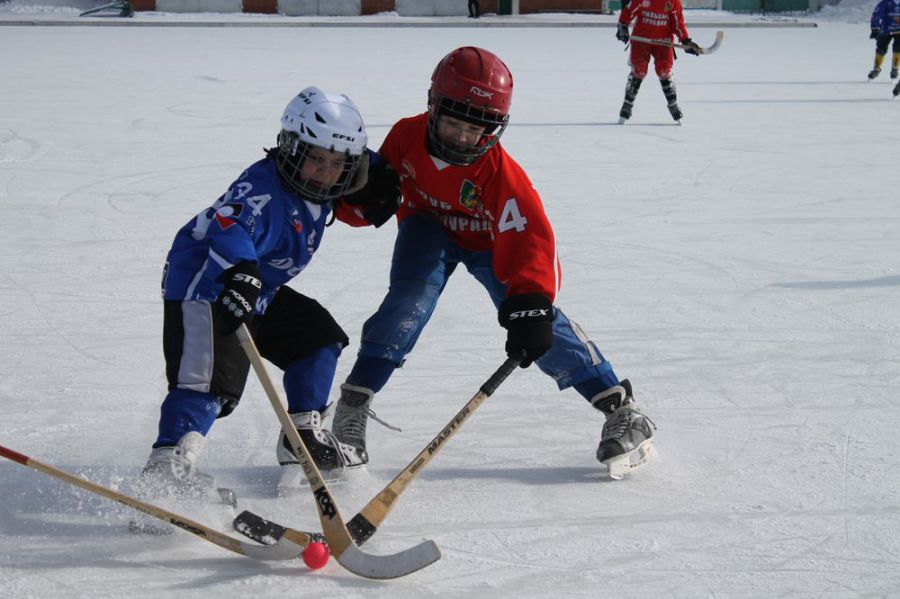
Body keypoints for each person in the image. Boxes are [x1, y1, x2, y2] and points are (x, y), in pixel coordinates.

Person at [328, 46, 656, 479]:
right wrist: (359, 200)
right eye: (453, 123)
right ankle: (352, 406)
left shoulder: (501, 175)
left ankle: (621, 409)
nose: (463, 137)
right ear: (432, 106)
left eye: (476, 129)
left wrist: (531, 302)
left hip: (490, 242)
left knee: (539, 321)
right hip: (428, 227)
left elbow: (531, 240)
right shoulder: (404, 137)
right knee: (407, 302)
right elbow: (365, 201)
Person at [140, 87, 400, 496]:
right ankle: (168, 466)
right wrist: (242, 271)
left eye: (337, 164)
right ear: (292, 148)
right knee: (211, 382)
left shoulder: (320, 191)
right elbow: (230, 224)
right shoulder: (262, 186)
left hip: (258, 289)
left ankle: (302, 437)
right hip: (208, 285)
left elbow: (370, 164)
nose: (325, 172)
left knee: (317, 337)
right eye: (315, 158)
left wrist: (385, 173)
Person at [615, 0, 701, 124]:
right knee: (639, 70)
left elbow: (678, 23)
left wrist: (685, 41)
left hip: (663, 41)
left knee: (664, 70)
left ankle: (673, 104)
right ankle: (627, 104)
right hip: (642, 39)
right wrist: (623, 26)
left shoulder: (673, 2)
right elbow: (628, 11)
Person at [867, 0, 900, 80]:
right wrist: (875, 28)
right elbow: (877, 15)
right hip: (885, 30)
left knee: (898, 49)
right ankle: (876, 69)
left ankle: (895, 69)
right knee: (881, 49)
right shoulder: (885, 2)